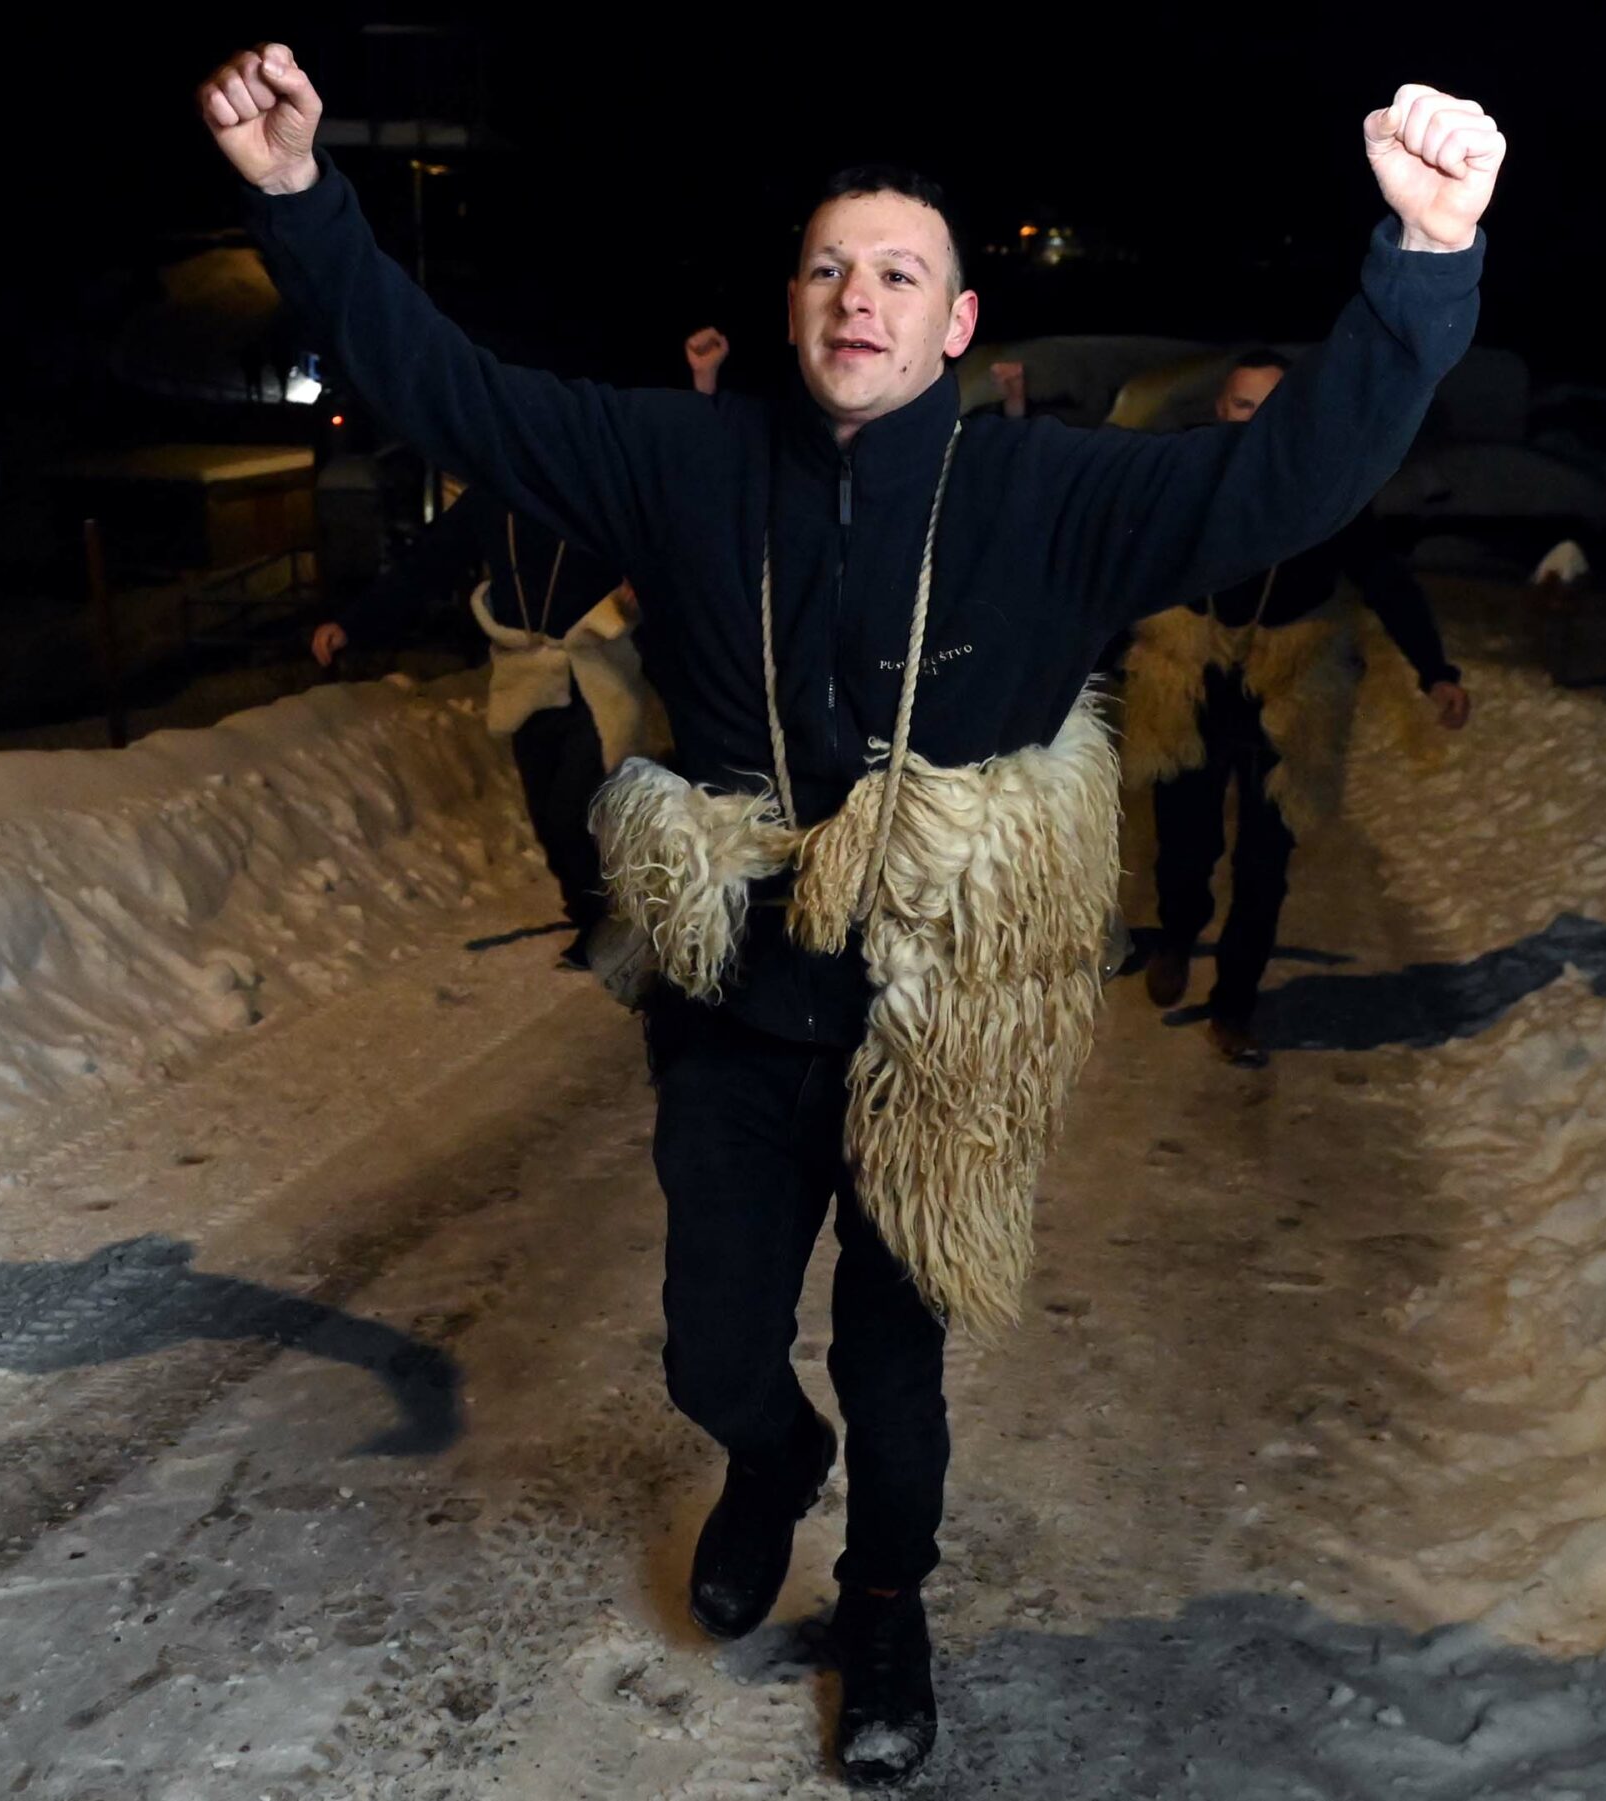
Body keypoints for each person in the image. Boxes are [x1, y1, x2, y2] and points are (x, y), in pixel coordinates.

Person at [198, 43, 1501, 1785]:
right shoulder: (682, 459)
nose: (856, 295)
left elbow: (1283, 486)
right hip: (740, 997)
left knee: (901, 1359)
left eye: (899, 271)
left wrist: (1422, 265)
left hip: (940, 1013)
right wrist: (303, 203)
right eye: (828, 266)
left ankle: (887, 1599)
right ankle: (765, 1457)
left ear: (958, 326)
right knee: (712, 1340)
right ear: (791, 302)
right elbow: (455, 395)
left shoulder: (1047, 496)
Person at [1124, 349, 1472, 1066]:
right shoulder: (1187, 477)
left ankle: (1236, 1005)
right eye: (1244, 404)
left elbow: (1384, 577)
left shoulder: (1328, 489)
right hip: (1192, 682)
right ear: (1221, 410)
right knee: (1185, 846)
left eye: (1275, 406)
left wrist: (1434, 668)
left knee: (1264, 862)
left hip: (1290, 691)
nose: (1258, 421)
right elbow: (1128, 565)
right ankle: (1180, 928)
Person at [311, 484, 642, 966]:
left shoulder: (593, 482)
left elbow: (662, 537)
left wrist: (644, 581)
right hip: (527, 678)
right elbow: (427, 564)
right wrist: (353, 624)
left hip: (598, 672)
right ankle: (592, 906)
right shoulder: (495, 495)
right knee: (549, 816)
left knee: (578, 807)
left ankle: (603, 926)